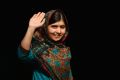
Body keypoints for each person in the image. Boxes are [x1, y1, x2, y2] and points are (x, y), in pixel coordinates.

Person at [17, 9, 73, 80]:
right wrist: (31, 28)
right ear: (45, 27)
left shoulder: (64, 49)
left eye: (62, 27)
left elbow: (68, 75)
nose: (59, 31)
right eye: (54, 26)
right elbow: (22, 55)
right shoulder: (39, 48)